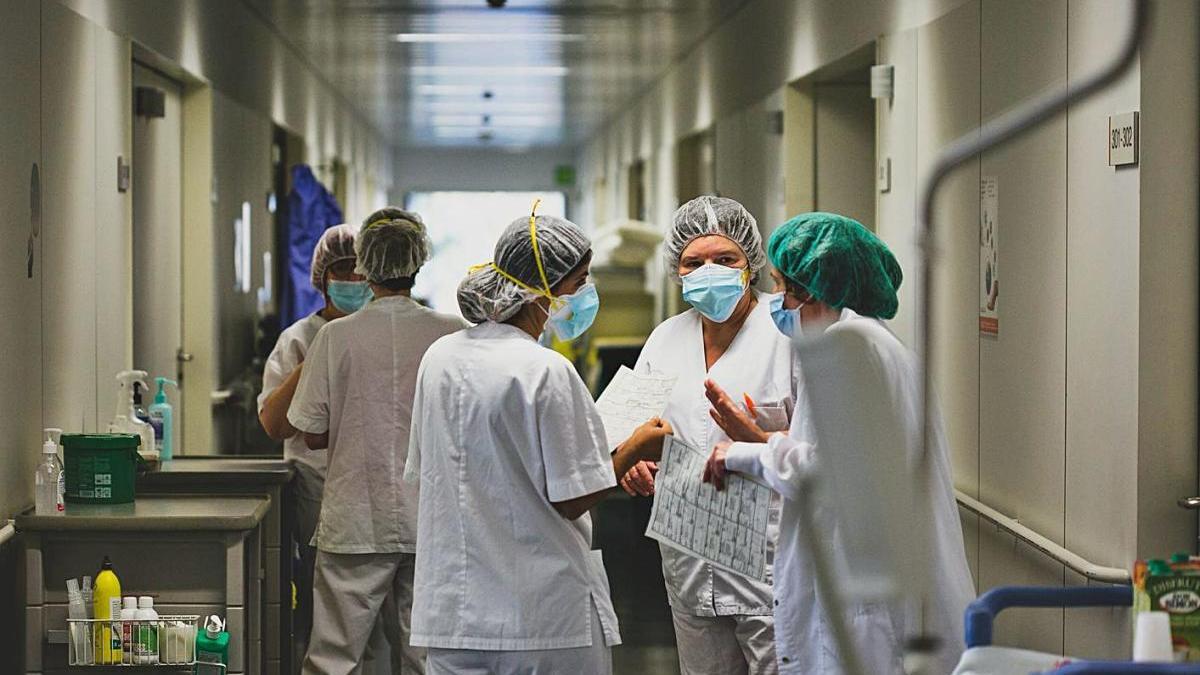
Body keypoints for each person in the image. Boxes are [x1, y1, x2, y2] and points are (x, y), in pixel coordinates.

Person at [701, 212, 975, 674]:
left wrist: (741, 453)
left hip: (868, 602)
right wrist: (769, 440)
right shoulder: (882, 347)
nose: (781, 302)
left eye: (786, 288)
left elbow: (832, 472)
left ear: (817, 287)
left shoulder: (849, 346)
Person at [404, 209, 672, 675]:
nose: (586, 295)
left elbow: (437, 467)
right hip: (538, 618)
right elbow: (574, 497)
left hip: (453, 612)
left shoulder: (440, 356)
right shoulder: (543, 370)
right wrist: (636, 447)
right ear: (545, 288)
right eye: (581, 281)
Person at [289, 209, 467, 675]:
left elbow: (310, 430)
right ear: (418, 262)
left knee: (334, 655)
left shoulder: (334, 336)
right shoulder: (452, 334)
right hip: (429, 518)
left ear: (365, 266)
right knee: (425, 654)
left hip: (355, 518)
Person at [619, 196, 792, 675]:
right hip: (688, 556)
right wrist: (634, 458)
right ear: (677, 269)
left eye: (725, 259)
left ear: (751, 264)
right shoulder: (665, 338)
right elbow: (630, 429)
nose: (709, 270)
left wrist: (757, 438)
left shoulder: (788, 335)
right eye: (694, 262)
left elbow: (825, 443)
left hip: (770, 561)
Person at [257, 222, 367, 651]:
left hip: (374, 488)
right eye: (342, 271)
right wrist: (318, 354)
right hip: (316, 488)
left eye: (361, 271)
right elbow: (273, 423)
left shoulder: (377, 335)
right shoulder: (298, 340)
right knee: (325, 601)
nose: (353, 281)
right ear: (322, 279)